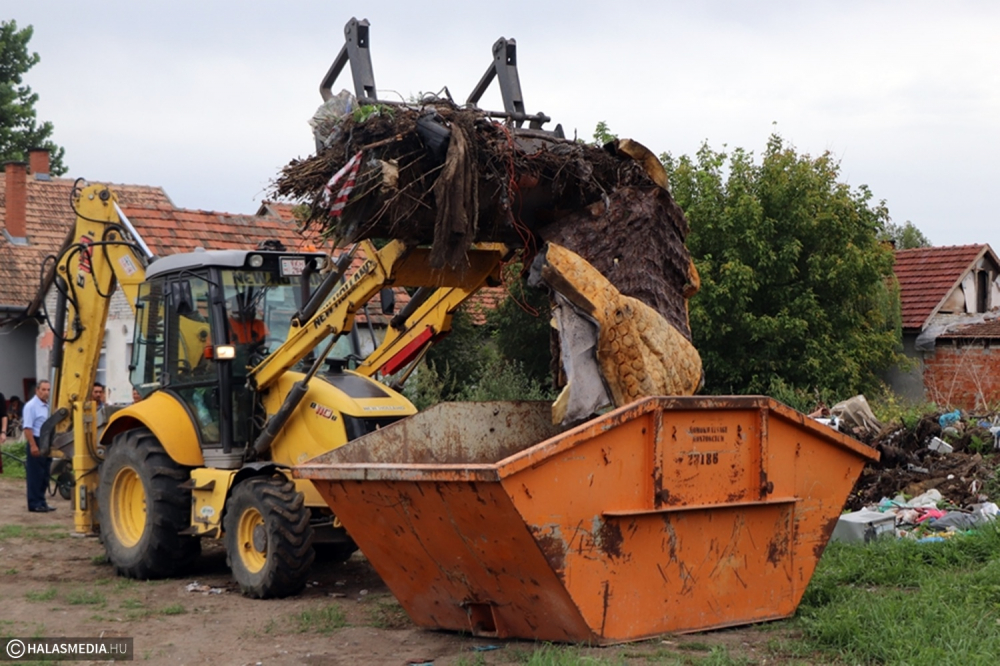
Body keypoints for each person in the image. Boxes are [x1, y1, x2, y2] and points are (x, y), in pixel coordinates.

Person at [23, 380, 54, 513]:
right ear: (37, 390)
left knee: (45, 473)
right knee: (35, 474)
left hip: (46, 440)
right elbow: (27, 428)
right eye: (43, 389)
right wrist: (33, 445)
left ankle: (42, 501)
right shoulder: (31, 406)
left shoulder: (48, 406)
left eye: (48, 390)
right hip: (36, 439)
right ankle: (34, 502)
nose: (46, 392)